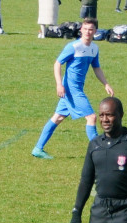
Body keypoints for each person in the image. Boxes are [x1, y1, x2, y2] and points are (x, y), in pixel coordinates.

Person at [32, 18, 115, 159]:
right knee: (92, 117)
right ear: (81, 30)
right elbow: (57, 63)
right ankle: (99, 152)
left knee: (57, 117)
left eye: (91, 29)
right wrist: (59, 84)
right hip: (71, 89)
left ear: (95, 31)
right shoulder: (73, 46)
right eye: (85, 29)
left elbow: (96, 67)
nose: (88, 32)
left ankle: (38, 149)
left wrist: (106, 84)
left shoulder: (94, 48)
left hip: (75, 88)